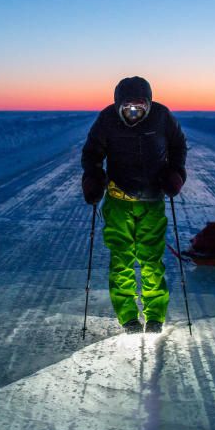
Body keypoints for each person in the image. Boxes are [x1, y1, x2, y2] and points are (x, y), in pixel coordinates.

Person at [81, 76, 187, 333]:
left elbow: (178, 146)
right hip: (119, 201)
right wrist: (93, 178)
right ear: (118, 105)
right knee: (122, 260)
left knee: (151, 260)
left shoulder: (162, 117)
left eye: (140, 106)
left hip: (152, 200)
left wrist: (176, 173)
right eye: (128, 107)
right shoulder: (107, 119)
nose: (134, 112)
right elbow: (92, 153)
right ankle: (128, 316)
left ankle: (155, 316)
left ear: (149, 104)